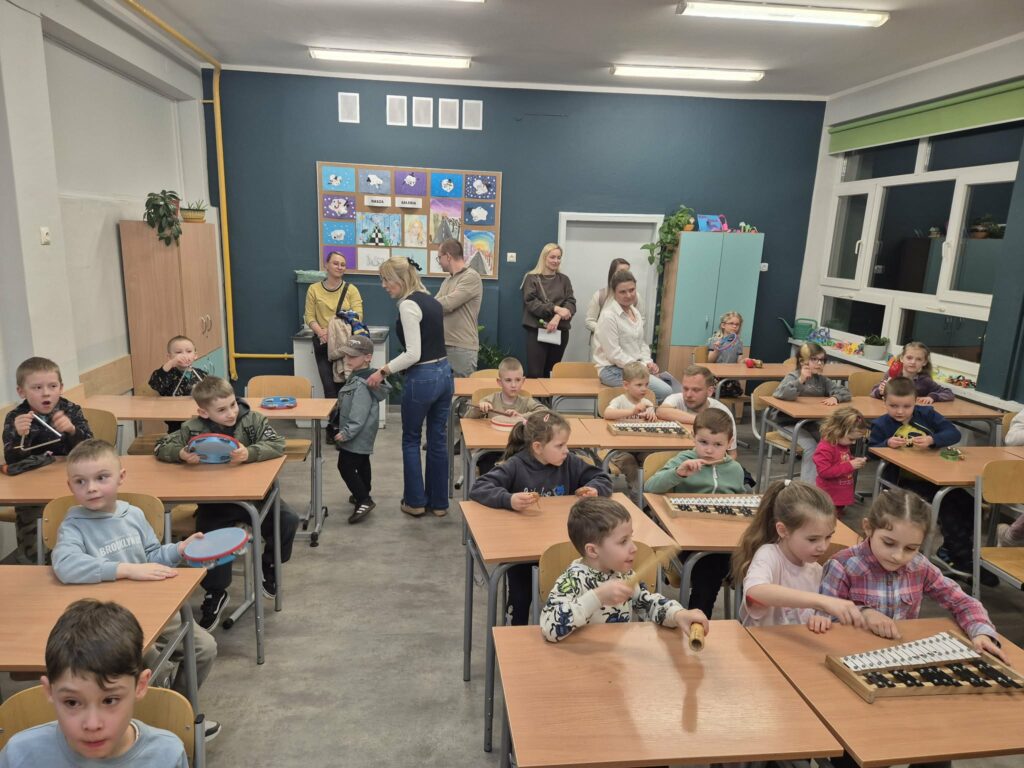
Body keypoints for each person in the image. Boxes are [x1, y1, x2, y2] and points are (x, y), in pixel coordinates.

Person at [51, 440, 220, 738]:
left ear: (121, 477)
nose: (91, 488)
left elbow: (153, 555)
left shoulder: (133, 515)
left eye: (101, 478)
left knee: (204, 648)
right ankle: (150, 719)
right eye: (80, 482)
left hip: (153, 610)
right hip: (108, 622)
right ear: (70, 486)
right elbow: (66, 566)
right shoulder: (74, 525)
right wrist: (126, 569)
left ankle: (176, 713)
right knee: (151, 661)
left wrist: (179, 549)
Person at [156, 376, 300, 628]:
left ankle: (269, 565)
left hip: (254, 497)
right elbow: (160, 447)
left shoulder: (253, 420)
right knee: (209, 540)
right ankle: (216, 592)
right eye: (221, 410)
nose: (231, 413)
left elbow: (277, 444)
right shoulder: (192, 428)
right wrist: (180, 454)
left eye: (233, 405)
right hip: (215, 502)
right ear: (204, 412)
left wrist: (250, 453)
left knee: (287, 520)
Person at [819, 488, 1005, 661]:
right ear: (868, 527)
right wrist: (864, 613)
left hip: (900, 655)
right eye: (889, 543)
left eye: (910, 548)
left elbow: (963, 602)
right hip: (851, 656)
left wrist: (981, 632)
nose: (898, 556)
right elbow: (823, 619)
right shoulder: (843, 566)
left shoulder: (919, 566)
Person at [0, 599, 189, 767]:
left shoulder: (167, 756)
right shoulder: (18, 755)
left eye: (109, 700)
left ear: (140, 686)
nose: (92, 724)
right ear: (49, 691)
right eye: (72, 702)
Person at [470, 411, 612, 626]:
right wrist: (509, 499)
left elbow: (602, 477)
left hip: (562, 545)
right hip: (522, 551)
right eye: (560, 445)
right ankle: (515, 630)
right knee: (520, 596)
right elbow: (479, 487)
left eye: (566, 444)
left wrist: (594, 489)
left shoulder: (569, 463)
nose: (566, 450)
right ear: (537, 447)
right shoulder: (516, 465)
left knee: (581, 587)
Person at [868, 376, 992, 584]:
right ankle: (962, 559)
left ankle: (952, 550)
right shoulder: (881, 424)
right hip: (903, 482)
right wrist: (886, 444)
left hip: (935, 477)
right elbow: (871, 452)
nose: (900, 411)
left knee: (970, 504)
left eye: (906, 406)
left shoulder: (926, 414)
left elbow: (953, 434)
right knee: (947, 508)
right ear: (884, 402)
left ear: (916, 401)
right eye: (893, 406)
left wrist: (932, 439)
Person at [539, 496, 709, 643]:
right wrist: (598, 597)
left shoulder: (623, 574)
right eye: (623, 541)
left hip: (616, 658)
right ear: (592, 551)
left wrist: (677, 614)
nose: (634, 548)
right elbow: (549, 628)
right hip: (580, 660)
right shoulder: (573, 580)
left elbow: (648, 604)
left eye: (631, 538)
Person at [366, 256, 452, 517]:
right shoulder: (431, 300)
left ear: (400, 279)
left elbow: (413, 354)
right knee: (437, 439)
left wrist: (382, 371)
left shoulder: (408, 305)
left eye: (386, 280)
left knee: (412, 439)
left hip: (423, 377)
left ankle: (415, 502)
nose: (383, 285)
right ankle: (439, 504)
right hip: (444, 374)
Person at [644, 409, 745, 617]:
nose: (709, 450)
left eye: (717, 445)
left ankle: (745, 623)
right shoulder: (684, 459)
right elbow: (651, 486)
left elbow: (741, 503)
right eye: (703, 442)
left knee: (756, 559)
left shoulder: (735, 469)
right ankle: (697, 619)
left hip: (726, 540)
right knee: (710, 566)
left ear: (729, 443)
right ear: (693, 437)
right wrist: (678, 473)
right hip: (687, 540)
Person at [731, 479, 863, 631]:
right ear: (783, 530)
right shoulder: (769, 555)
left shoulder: (816, 570)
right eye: (812, 539)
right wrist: (821, 601)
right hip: (760, 642)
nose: (823, 547)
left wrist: (821, 617)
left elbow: (820, 614)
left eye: (828, 537)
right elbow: (756, 591)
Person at [2, 357, 93, 564]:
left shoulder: (71, 410)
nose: (46, 393)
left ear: (61, 388)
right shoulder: (16, 417)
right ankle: (34, 564)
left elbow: (90, 450)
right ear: (21, 392)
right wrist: (19, 436)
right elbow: (12, 460)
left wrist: (72, 430)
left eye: (52, 386)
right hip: (32, 493)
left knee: (79, 529)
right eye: (37, 387)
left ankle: (81, 560)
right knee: (34, 543)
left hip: (72, 487)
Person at [593, 270, 679, 403]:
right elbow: (614, 355)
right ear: (614, 293)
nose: (628, 295)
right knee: (665, 391)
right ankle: (641, 414)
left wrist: (648, 362)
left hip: (634, 367)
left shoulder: (635, 312)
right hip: (612, 370)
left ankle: (643, 413)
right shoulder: (608, 316)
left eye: (631, 290)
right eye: (622, 292)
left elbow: (641, 344)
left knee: (672, 386)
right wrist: (642, 366)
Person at [772, 342, 851, 483]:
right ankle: (808, 488)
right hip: (788, 424)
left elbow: (845, 392)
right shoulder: (793, 376)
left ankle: (827, 482)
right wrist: (801, 380)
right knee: (811, 447)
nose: (819, 363)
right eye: (814, 359)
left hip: (811, 424)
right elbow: (780, 393)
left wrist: (835, 397)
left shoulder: (822, 380)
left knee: (831, 443)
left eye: (822, 360)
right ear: (802, 361)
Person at [332, 335, 391, 524]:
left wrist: (346, 432)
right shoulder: (361, 375)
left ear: (368, 357)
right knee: (362, 462)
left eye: (352, 356)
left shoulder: (362, 383)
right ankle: (363, 491)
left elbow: (359, 413)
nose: (347, 359)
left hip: (356, 433)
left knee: (345, 466)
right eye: (346, 355)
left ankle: (364, 499)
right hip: (363, 433)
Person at [464, 356, 547, 478]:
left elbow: (545, 412)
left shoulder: (526, 401)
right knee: (489, 469)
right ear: (499, 382)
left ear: (523, 381)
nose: (513, 385)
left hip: (517, 450)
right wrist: (479, 409)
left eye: (517, 380)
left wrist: (522, 416)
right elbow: (467, 420)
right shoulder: (490, 399)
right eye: (508, 380)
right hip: (491, 450)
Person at [304, 250, 364, 399]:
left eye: (343, 264)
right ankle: (332, 415)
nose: (339, 267)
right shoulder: (314, 289)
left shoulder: (351, 290)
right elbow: (310, 316)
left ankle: (345, 415)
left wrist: (333, 331)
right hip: (323, 343)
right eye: (336, 263)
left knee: (345, 387)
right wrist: (321, 332)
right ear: (326, 265)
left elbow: (358, 316)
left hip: (345, 343)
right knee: (329, 389)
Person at [656, 365, 738, 457]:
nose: (688, 395)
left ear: (710, 391)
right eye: (685, 388)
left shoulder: (722, 412)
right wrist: (703, 421)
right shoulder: (677, 399)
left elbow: (732, 454)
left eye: (696, 390)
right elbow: (661, 411)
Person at [520, 243, 576, 378]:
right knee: (535, 374)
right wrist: (556, 308)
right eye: (552, 257)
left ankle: (549, 395)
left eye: (559, 257)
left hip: (560, 331)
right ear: (544, 258)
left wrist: (557, 317)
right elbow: (531, 303)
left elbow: (571, 303)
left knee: (551, 374)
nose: (556, 261)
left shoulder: (564, 280)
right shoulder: (531, 278)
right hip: (537, 331)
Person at [434, 238, 483, 378]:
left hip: (462, 348)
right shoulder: (447, 280)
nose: (439, 262)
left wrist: (424, 305)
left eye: (439, 258)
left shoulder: (471, 277)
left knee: (461, 392)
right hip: (444, 345)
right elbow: (435, 305)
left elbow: (448, 304)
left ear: (448, 256)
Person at [813, 406, 868, 516]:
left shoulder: (842, 444)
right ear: (837, 431)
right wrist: (850, 465)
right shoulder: (825, 448)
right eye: (851, 439)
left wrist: (853, 460)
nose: (853, 443)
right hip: (829, 495)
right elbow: (824, 472)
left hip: (839, 494)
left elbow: (841, 459)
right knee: (828, 519)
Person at [148, 335, 207, 431]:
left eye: (189, 351)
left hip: (200, 419)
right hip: (176, 424)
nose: (184, 355)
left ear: (195, 355)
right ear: (169, 357)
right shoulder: (168, 374)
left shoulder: (202, 374)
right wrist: (171, 363)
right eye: (179, 352)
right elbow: (155, 384)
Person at [584, 258, 642, 354]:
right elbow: (589, 321)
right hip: (601, 347)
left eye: (627, 271)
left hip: (628, 348)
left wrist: (630, 332)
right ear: (612, 273)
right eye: (621, 271)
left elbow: (641, 319)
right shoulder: (600, 295)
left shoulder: (635, 297)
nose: (624, 274)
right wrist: (610, 331)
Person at [871, 341, 954, 403]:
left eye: (919, 359)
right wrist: (880, 392)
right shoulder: (892, 373)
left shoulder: (924, 380)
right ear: (902, 358)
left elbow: (948, 393)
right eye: (909, 358)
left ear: (924, 362)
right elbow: (873, 392)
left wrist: (932, 397)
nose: (913, 362)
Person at [706, 311, 745, 398]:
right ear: (723, 325)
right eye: (731, 323)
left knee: (736, 391)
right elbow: (709, 361)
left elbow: (739, 361)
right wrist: (716, 350)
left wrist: (744, 361)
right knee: (716, 390)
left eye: (737, 324)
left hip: (730, 376)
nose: (734, 326)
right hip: (716, 377)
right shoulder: (714, 340)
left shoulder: (739, 342)